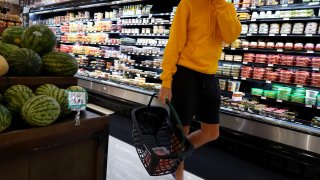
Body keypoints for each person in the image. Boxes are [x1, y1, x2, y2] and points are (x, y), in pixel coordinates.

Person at [158, 0, 241, 179]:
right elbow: (175, 41)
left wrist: (221, 5)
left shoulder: (226, 7)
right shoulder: (188, 3)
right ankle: (177, 172)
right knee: (180, 133)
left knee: (211, 132)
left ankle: (174, 157)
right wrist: (166, 81)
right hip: (185, 75)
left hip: (210, 76)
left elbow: (231, 36)